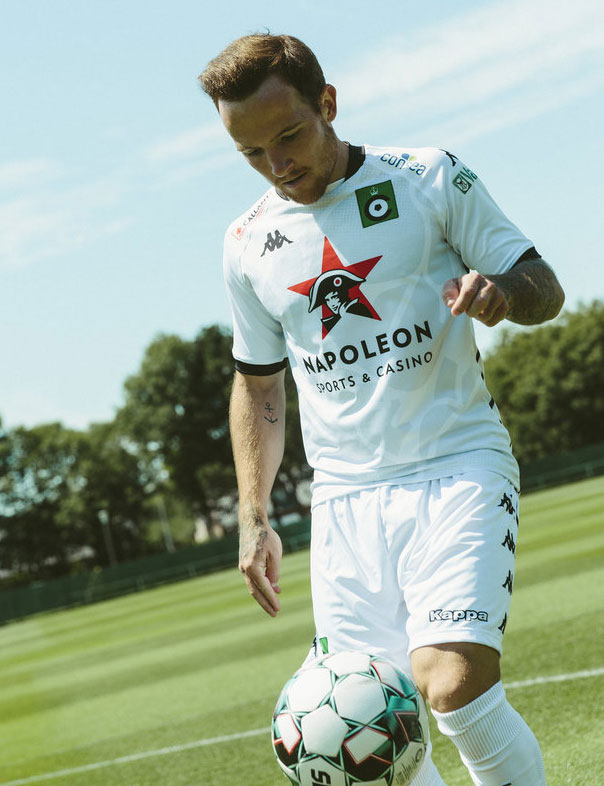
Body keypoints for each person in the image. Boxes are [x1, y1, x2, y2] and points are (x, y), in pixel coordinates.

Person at [199, 33, 564, 786]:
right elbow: (258, 385)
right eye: (252, 153)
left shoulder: (429, 178)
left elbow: (543, 285)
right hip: (343, 501)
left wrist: (502, 293)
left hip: (458, 465)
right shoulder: (245, 244)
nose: (277, 164)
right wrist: (253, 513)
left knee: (452, 685)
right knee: (361, 725)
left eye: (289, 136)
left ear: (328, 104)